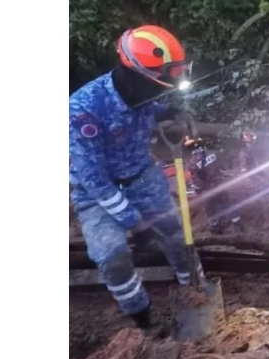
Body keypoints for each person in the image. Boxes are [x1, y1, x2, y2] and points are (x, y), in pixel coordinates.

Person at [69, 25, 200, 329]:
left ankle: (193, 289)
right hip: (96, 195)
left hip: (143, 177)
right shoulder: (81, 112)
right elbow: (95, 181)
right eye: (158, 86)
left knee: (178, 236)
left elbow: (148, 107)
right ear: (135, 75)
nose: (161, 91)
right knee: (112, 258)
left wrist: (170, 112)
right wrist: (134, 222)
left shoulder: (140, 92)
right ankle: (144, 320)